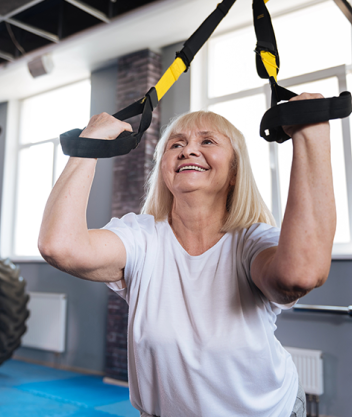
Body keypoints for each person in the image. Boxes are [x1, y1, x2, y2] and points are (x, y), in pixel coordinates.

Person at [38, 93, 335, 417]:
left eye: (207, 141)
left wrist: (312, 132)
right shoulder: (141, 238)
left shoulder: (250, 241)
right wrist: (89, 143)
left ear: (234, 171)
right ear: (163, 169)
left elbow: (301, 273)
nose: (189, 149)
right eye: (175, 145)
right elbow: (60, 246)